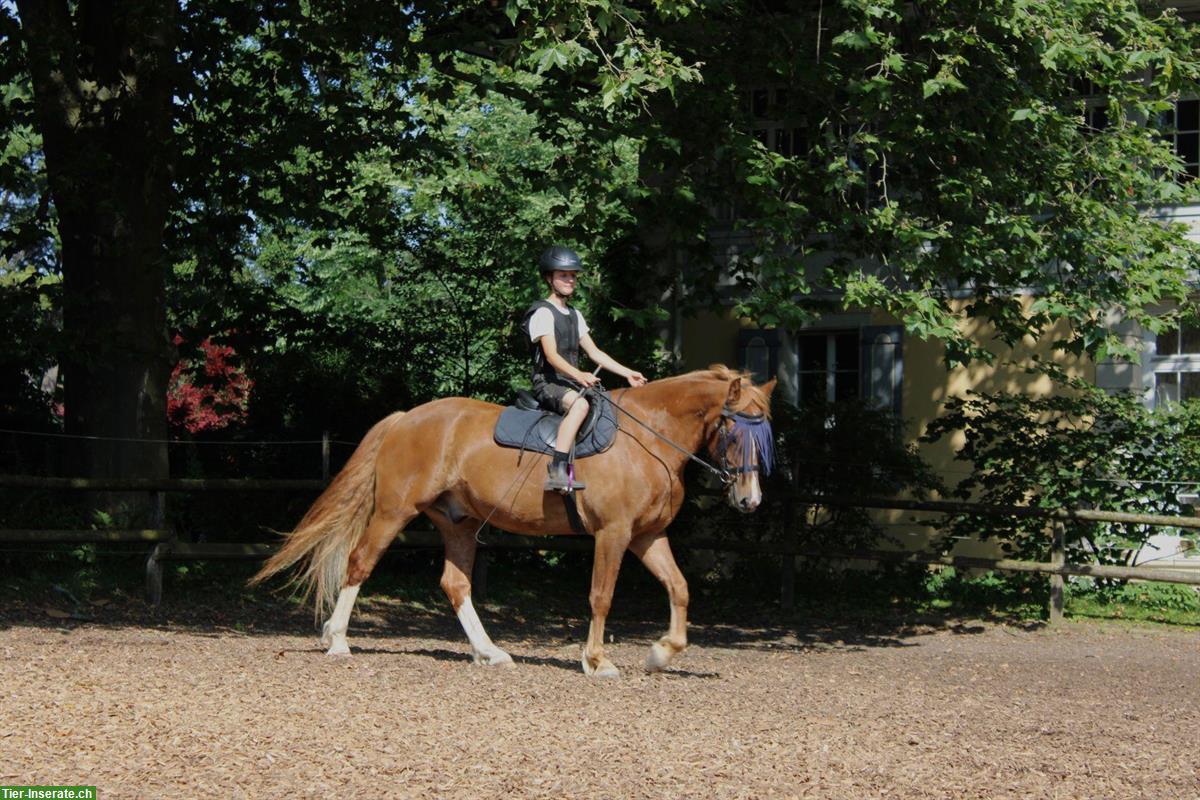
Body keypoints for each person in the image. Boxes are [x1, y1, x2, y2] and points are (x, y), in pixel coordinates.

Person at [525, 245, 646, 493]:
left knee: (606, 406)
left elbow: (595, 353)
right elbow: (552, 355)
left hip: (569, 382)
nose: (570, 280)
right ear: (549, 278)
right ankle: (557, 472)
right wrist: (579, 375)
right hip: (549, 382)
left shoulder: (574, 314)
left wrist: (627, 372)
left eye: (572, 275)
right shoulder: (542, 313)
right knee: (580, 406)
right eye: (563, 275)